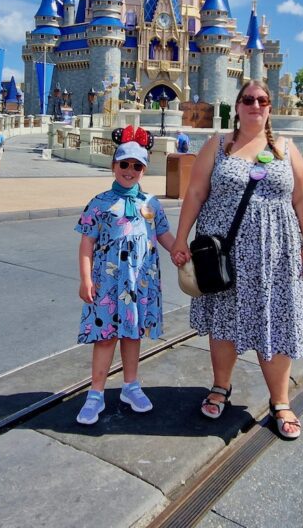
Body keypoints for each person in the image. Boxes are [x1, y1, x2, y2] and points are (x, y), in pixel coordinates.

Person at [171, 81, 303, 441]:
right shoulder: (218, 145)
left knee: (277, 318)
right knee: (225, 318)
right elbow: (195, 192)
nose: (255, 105)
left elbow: (302, 198)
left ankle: (280, 401)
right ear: (236, 106)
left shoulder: (286, 148)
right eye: (248, 99)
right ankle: (221, 386)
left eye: (262, 100)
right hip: (225, 252)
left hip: (277, 255)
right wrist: (180, 238)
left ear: (270, 107)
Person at [75, 133, 176, 425]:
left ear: (144, 169)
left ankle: (130, 386)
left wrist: (181, 253)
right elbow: (86, 244)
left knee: (132, 335)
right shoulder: (99, 203)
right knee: (106, 338)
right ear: (113, 165)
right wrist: (85, 279)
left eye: (137, 166)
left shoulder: (151, 203)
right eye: (124, 164)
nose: (129, 171)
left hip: (140, 283)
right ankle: (95, 393)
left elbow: (164, 235)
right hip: (107, 284)